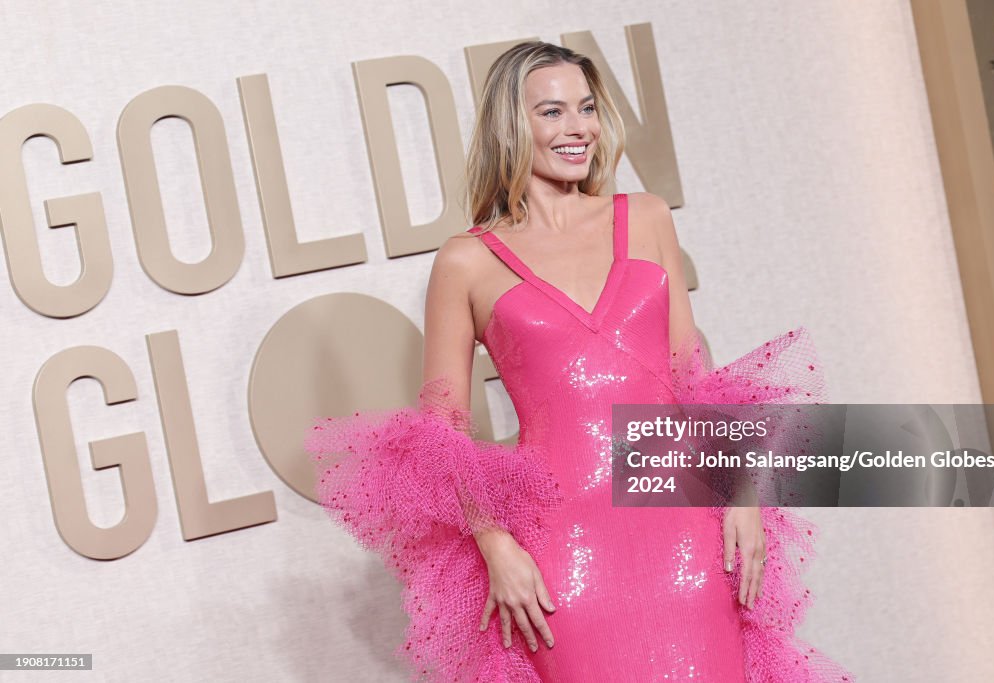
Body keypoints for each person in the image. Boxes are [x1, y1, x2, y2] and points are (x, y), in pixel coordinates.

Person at [306, 41, 854, 682]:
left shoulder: (646, 217)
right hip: (563, 552)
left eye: (587, 108)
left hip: (686, 530)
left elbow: (689, 375)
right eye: (553, 111)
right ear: (512, 127)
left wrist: (740, 492)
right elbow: (443, 428)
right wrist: (494, 545)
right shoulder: (466, 261)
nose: (579, 127)